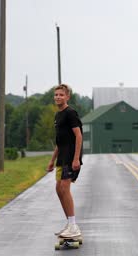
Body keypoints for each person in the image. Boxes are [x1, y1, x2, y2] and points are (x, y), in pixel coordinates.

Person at [47, 84, 83, 238]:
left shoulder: (70, 113)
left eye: (61, 95)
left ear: (67, 97)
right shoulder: (58, 115)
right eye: (56, 95)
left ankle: (73, 226)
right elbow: (59, 142)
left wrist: (76, 158)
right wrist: (52, 160)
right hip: (61, 158)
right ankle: (69, 223)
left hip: (70, 157)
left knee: (65, 188)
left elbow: (79, 136)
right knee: (58, 189)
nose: (58, 97)